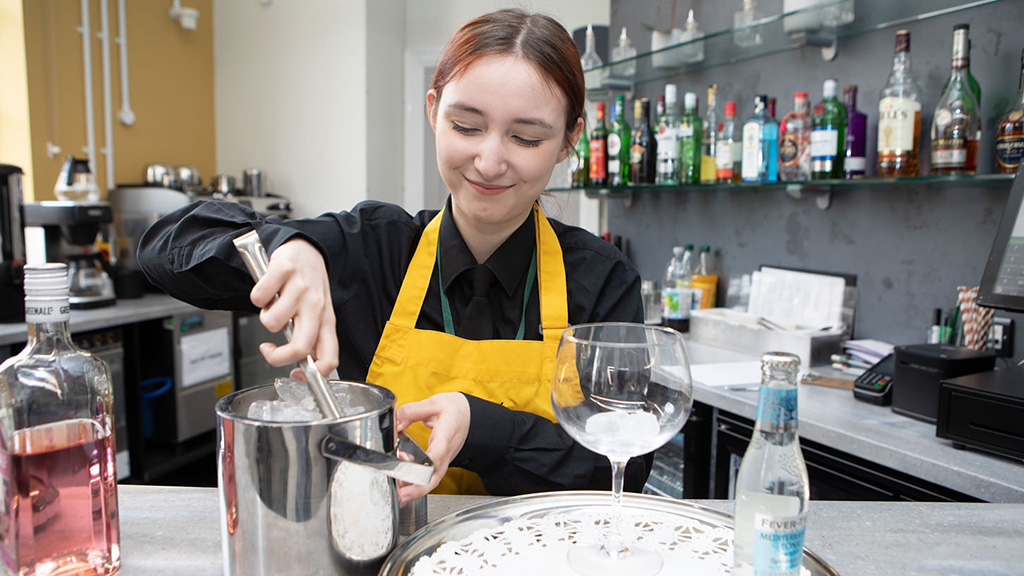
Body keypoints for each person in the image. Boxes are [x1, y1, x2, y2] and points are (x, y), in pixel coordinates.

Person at [138, 9, 648, 505]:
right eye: (466, 126)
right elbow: (164, 245)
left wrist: (485, 429)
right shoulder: (371, 249)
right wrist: (287, 245)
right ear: (433, 111)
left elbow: (625, 467)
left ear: (567, 141)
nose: (489, 162)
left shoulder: (601, 280)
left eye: (526, 137)